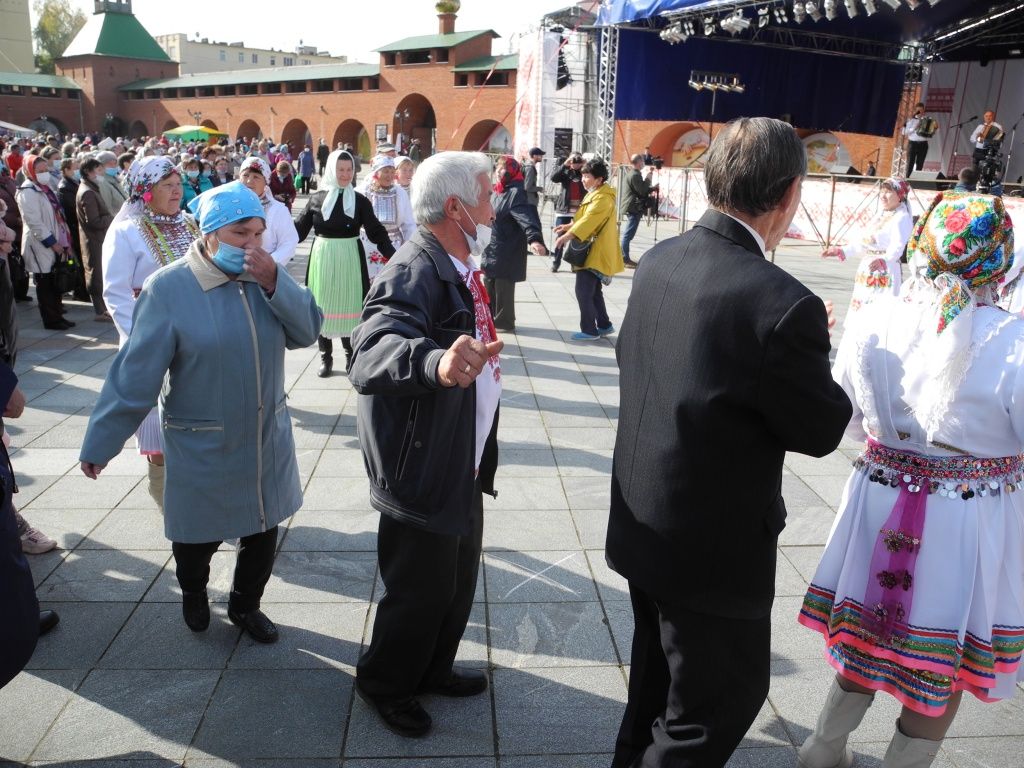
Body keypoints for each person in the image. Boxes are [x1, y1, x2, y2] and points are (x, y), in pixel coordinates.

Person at [607, 117, 852, 768]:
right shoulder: (783, 303)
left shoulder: (660, 258)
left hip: (643, 519)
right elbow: (821, 428)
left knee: (656, 688)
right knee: (711, 709)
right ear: (789, 193)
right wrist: (815, 352)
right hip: (711, 552)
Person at [796, 192, 1020, 768]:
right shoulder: (1014, 342)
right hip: (966, 518)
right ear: (1000, 257)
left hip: (878, 497)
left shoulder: (875, 318)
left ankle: (821, 750)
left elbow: (847, 418)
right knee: (941, 661)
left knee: (867, 632)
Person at [80, 182, 321, 643]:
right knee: (196, 537)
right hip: (203, 438)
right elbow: (135, 375)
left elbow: (307, 330)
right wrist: (101, 441)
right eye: (239, 234)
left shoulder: (265, 278)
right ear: (209, 234)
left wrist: (276, 282)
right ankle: (193, 591)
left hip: (263, 432)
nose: (252, 246)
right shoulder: (169, 289)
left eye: (258, 234)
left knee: (263, 528)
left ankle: (246, 604)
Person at [349, 150, 501, 739]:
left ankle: (432, 667)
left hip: (458, 456)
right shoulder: (414, 267)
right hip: (421, 464)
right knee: (418, 589)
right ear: (456, 207)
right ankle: (385, 683)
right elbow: (371, 350)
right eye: (487, 196)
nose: (494, 208)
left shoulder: (457, 263)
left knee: (455, 580)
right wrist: (433, 361)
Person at [102, 157, 200, 508]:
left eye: (178, 184)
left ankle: (198, 494)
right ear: (145, 191)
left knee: (196, 419)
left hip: (196, 337)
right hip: (151, 339)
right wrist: (142, 342)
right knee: (158, 429)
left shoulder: (191, 223)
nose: (176, 191)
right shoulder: (127, 232)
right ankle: (167, 498)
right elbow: (115, 293)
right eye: (166, 186)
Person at [295, 150, 395, 378]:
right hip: (323, 258)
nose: (345, 174)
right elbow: (298, 231)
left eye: (349, 169)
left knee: (350, 304)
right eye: (340, 169)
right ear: (332, 169)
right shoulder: (317, 199)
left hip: (350, 257)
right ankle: (326, 356)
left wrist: (396, 255)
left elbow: (376, 232)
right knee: (322, 305)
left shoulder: (359, 201)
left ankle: (351, 356)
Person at [552, 159, 623, 340]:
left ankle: (590, 330)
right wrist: (569, 226)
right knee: (593, 291)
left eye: (587, 176)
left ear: (599, 179)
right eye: (583, 176)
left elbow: (589, 221)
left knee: (583, 291)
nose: (583, 179)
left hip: (595, 252)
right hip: (594, 250)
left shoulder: (602, 198)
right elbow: (583, 218)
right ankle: (604, 325)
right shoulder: (596, 193)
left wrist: (567, 236)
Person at [822, 177, 914, 313]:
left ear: (900, 196)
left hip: (884, 270)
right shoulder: (880, 214)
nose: (883, 195)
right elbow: (864, 240)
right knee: (861, 308)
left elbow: (898, 246)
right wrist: (842, 250)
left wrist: (884, 260)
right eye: (882, 191)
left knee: (877, 311)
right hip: (867, 268)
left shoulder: (902, 218)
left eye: (888, 192)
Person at [481, 155, 547, 332]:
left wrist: (534, 239)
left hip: (506, 248)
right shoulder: (498, 190)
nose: (498, 172)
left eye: (502, 168)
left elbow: (527, 217)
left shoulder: (517, 193)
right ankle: (490, 320)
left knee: (503, 287)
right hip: (492, 246)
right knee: (489, 284)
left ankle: (505, 322)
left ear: (511, 172)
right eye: (497, 168)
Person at [16, 154, 74, 330]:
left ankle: (58, 315)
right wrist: (52, 242)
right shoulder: (28, 191)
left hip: (56, 239)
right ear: (29, 171)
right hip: (40, 244)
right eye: (39, 170)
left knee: (55, 281)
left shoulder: (46, 188)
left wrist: (64, 241)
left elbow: (58, 215)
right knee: (45, 283)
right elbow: (34, 222)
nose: (43, 173)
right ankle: (51, 319)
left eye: (45, 170)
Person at [357, 155, 416, 282]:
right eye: (385, 171)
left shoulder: (400, 193)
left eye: (392, 172)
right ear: (376, 172)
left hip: (393, 244)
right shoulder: (363, 191)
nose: (389, 175)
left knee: (392, 280)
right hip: (368, 244)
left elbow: (408, 224)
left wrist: (409, 247)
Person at [237, 157, 299, 266]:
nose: (249, 181)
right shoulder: (228, 204)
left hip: (262, 270)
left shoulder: (278, 210)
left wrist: (266, 263)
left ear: (266, 182)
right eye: (245, 175)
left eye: (256, 177)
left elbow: (289, 243)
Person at [75, 158, 114, 322]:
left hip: (96, 238)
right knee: (96, 273)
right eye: (98, 170)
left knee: (98, 271)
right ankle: (100, 310)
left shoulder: (90, 188)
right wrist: (112, 217)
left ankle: (103, 308)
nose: (101, 173)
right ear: (88, 172)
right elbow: (94, 221)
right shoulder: (88, 192)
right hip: (94, 239)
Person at [548, 153, 586, 272]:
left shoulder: (584, 171)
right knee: (560, 236)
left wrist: (586, 165)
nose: (575, 162)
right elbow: (553, 178)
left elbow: (595, 179)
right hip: (564, 209)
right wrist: (565, 165)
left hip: (580, 210)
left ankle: (574, 264)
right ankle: (556, 263)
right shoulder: (565, 170)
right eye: (573, 159)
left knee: (577, 238)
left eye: (578, 160)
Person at [619, 153, 656, 268]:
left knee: (628, 234)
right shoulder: (635, 175)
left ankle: (623, 257)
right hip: (633, 207)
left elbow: (639, 189)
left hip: (632, 206)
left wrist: (652, 188)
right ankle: (624, 258)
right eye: (642, 161)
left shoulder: (633, 173)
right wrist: (649, 178)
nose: (643, 163)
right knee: (628, 235)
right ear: (639, 162)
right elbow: (642, 190)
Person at [902, 102, 932, 177]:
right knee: (910, 163)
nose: (920, 112)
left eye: (921, 110)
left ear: (924, 110)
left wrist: (934, 128)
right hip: (912, 144)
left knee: (920, 164)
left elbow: (930, 133)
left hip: (923, 144)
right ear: (915, 110)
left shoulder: (927, 120)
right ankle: (908, 180)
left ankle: (917, 180)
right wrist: (914, 127)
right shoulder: (910, 120)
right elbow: (903, 132)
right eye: (918, 110)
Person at [94, 150, 128, 216]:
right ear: (100, 166)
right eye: (109, 164)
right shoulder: (102, 182)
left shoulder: (114, 177)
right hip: (117, 218)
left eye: (115, 163)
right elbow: (107, 207)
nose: (113, 166)